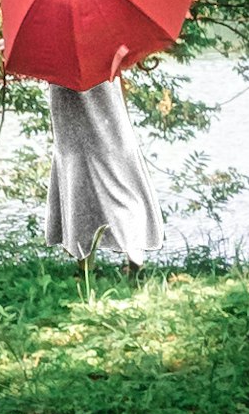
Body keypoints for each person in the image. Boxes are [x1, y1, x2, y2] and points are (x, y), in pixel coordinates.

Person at [42, 55, 162, 260]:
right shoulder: (50, 36)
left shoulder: (98, 31)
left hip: (102, 106)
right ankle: (88, 263)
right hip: (72, 106)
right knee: (81, 179)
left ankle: (131, 259)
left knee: (114, 181)